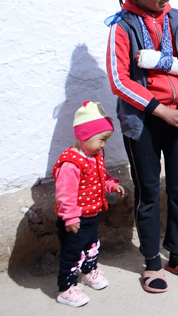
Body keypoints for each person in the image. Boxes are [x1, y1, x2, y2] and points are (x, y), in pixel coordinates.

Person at [106, 0, 178, 293]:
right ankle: (151, 262)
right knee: (148, 192)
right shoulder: (122, 26)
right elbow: (119, 81)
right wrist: (161, 110)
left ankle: (176, 254)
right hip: (143, 122)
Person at [53, 101, 125, 307]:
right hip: (75, 219)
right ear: (84, 135)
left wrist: (111, 185)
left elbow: (101, 177)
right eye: (101, 139)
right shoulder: (71, 163)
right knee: (72, 252)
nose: (103, 145)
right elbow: (65, 194)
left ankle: (89, 272)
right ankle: (65, 288)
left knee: (91, 245)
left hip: (92, 214)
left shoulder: (94, 156)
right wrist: (70, 217)